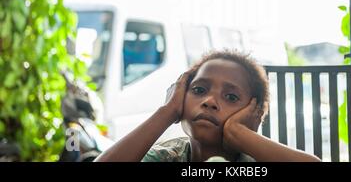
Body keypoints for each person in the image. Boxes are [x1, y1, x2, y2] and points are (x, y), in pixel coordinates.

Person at [95, 50, 321, 162]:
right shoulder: (167, 156)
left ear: (254, 115)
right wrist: (166, 113)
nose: (210, 101)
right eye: (199, 90)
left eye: (231, 97)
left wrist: (239, 133)